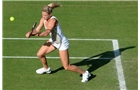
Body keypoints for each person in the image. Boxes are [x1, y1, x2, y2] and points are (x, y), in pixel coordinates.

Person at [25, 2, 91, 82]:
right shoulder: (43, 19)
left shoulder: (53, 21)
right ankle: (46, 69)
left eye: (45, 15)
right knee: (40, 54)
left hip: (62, 43)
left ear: (50, 14)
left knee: (66, 66)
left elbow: (46, 33)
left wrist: (34, 35)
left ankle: (85, 73)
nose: (43, 17)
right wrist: (31, 32)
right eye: (42, 15)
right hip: (53, 41)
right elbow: (37, 30)